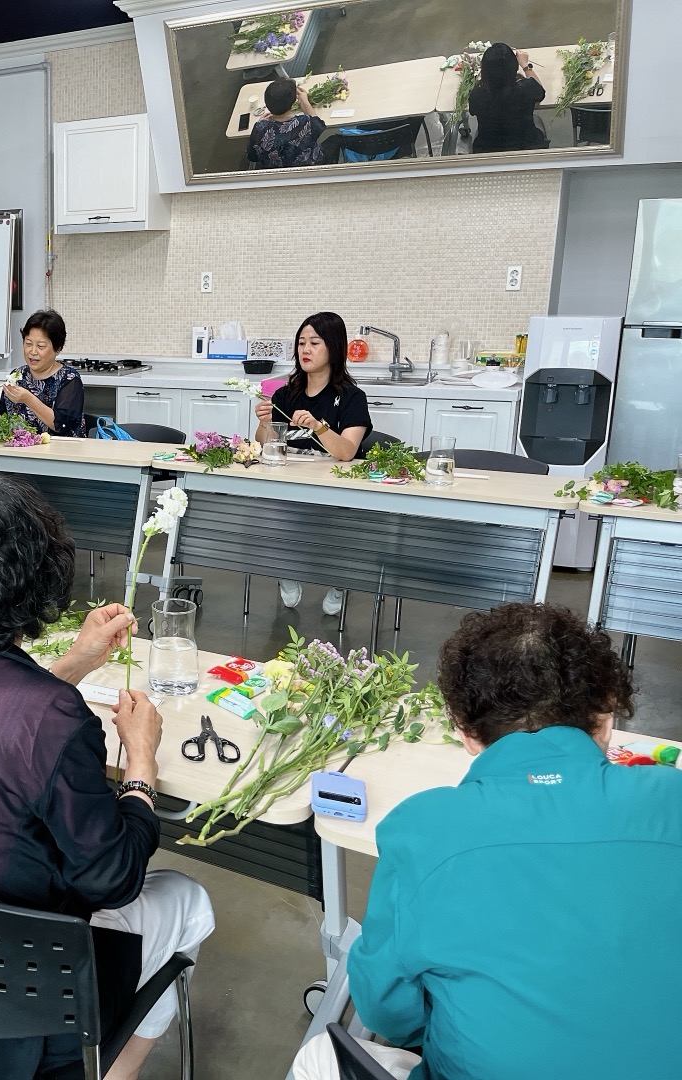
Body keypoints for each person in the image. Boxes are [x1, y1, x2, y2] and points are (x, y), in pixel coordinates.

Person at [0, 473, 215, 1080]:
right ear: (39, 581)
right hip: (19, 983)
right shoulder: (54, 716)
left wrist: (73, 663)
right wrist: (140, 766)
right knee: (188, 898)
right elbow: (112, 879)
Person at [293, 602, 682, 1080]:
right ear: (606, 715)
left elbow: (385, 1010)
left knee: (316, 1059)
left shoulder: (425, 827)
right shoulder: (672, 798)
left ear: (464, 729)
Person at [254, 311, 371, 615]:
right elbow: (266, 444)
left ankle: (338, 578)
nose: (305, 350)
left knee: (335, 527)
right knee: (265, 511)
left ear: (333, 347)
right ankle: (286, 568)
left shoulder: (351, 397)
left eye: (314, 343)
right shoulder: (285, 393)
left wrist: (320, 428)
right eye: (301, 343)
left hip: (333, 489)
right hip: (290, 483)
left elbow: (346, 452)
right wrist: (266, 422)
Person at [0, 309, 87, 437]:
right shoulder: (17, 376)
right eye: (28, 344)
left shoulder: (69, 379)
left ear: (57, 349)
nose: (33, 351)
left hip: (62, 451)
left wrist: (28, 399)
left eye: (40, 346)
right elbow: (6, 421)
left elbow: (61, 426)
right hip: (23, 450)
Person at [469, 43, 548, 154]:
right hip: (526, 146)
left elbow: (472, 111)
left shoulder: (477, 95)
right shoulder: (525, 89)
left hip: (488, 150)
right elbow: (540, 91)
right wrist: (525, 66)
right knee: (537, 119)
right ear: (514, 67)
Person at [247, 79, 328, 169]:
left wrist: (261, 123)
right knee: (335, 139)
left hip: (277, 176)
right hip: (308, 170)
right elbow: (319, 125)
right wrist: (305, 101)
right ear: (293, 103)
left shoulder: (259, 127)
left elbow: (252, 156)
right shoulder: (304, 122)